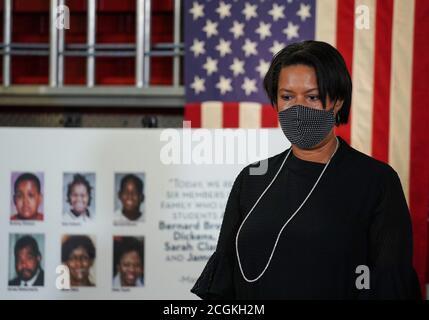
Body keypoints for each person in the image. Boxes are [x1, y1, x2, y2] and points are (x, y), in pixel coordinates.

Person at [191, 40, 421, 300]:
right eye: (287, 97)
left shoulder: (376, 181)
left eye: (312, 97)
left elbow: (390, 283)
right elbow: (224, 281)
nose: (298, 109)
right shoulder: (252, 179)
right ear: (275, 103)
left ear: (336, 101)